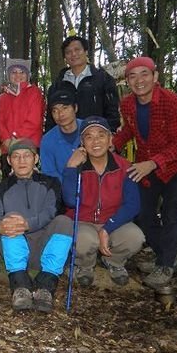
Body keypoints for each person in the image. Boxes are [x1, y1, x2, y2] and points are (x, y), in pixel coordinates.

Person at [112, 57, 177, 289]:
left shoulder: (172, 101)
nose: (139, 80)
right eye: (132, 76)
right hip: (145, 166)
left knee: (173, 215)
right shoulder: (127, 104)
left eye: (144, 74)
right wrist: (113, 144)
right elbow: (129, 129)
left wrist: (153, 162)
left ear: (155, 76)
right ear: (127, 81)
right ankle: (164, 257)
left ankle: (166, 265)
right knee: (141, 212)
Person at [0, 139, 73, 313]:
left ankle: (45, 287)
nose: (22, 161)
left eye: (27, 156)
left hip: (43, 246)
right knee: (10, 219)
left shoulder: (51, 183)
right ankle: (20, 286)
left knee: (64, 222)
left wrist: (27, 224)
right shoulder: (0, 188)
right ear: (10, 161)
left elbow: (51, 211)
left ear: (35, 159)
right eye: (16, 157)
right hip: (16, 248)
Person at [63, 116, 144, 287]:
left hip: (113, 222)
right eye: (89, 137)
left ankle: (114, 262)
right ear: (82, 142)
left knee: (135, 237)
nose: (95, 141)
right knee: (85, 240)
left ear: (110, 139)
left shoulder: (124, 166)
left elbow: (133, 205)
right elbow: (70, 201)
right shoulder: (77, 166)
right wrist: (70, 167)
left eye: (101, 135)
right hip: (84, 222)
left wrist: (107, 228)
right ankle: (85, 265)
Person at [46, 35, 120, 132]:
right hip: (65, 139)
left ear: (85, 52)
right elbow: (51, 118)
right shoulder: (57, 86)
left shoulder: (103, 79)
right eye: (68, 52)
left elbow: (112, 111)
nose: (73, 54)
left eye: (77, 50)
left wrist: (110, 134)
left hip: (95, 137)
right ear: (65, 57)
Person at [0, 58, 45, 178]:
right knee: (9, 184)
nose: (18, 75)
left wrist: (14, 137)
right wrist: (6, 140)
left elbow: (34, 120)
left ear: (27, 75)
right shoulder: (3, 97)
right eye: (14, 72)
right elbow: (0, 121)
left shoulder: (35, 92)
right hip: (7, 148)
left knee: (32, 183)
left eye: (22, 72)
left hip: (30, 146)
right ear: (8, 75)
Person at [40, 88, 82, 182]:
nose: (60, 114)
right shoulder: (48, 140)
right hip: (62, 192)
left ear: (75, 108)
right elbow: (49, 174)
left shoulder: (89, 131)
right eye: (55, 110)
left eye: (65, 108)